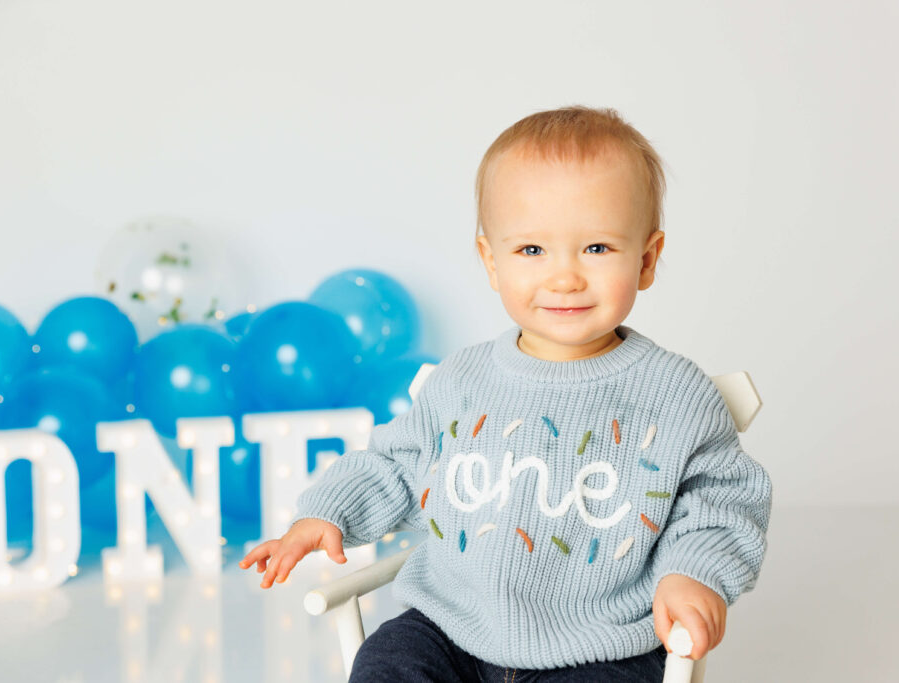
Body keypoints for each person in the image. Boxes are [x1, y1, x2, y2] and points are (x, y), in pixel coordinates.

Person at [239, 105, 773, 682]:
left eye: (596, 248)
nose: (564, 277)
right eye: (531, 251)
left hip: (601, 645)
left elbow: (720, 502)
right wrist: (329, 512)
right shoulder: (462, 383)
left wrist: (691, 574)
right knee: (388, 663)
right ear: (492, 261)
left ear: (645, 260)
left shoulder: (674, 394)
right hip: (450, 627)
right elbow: (395, 465)